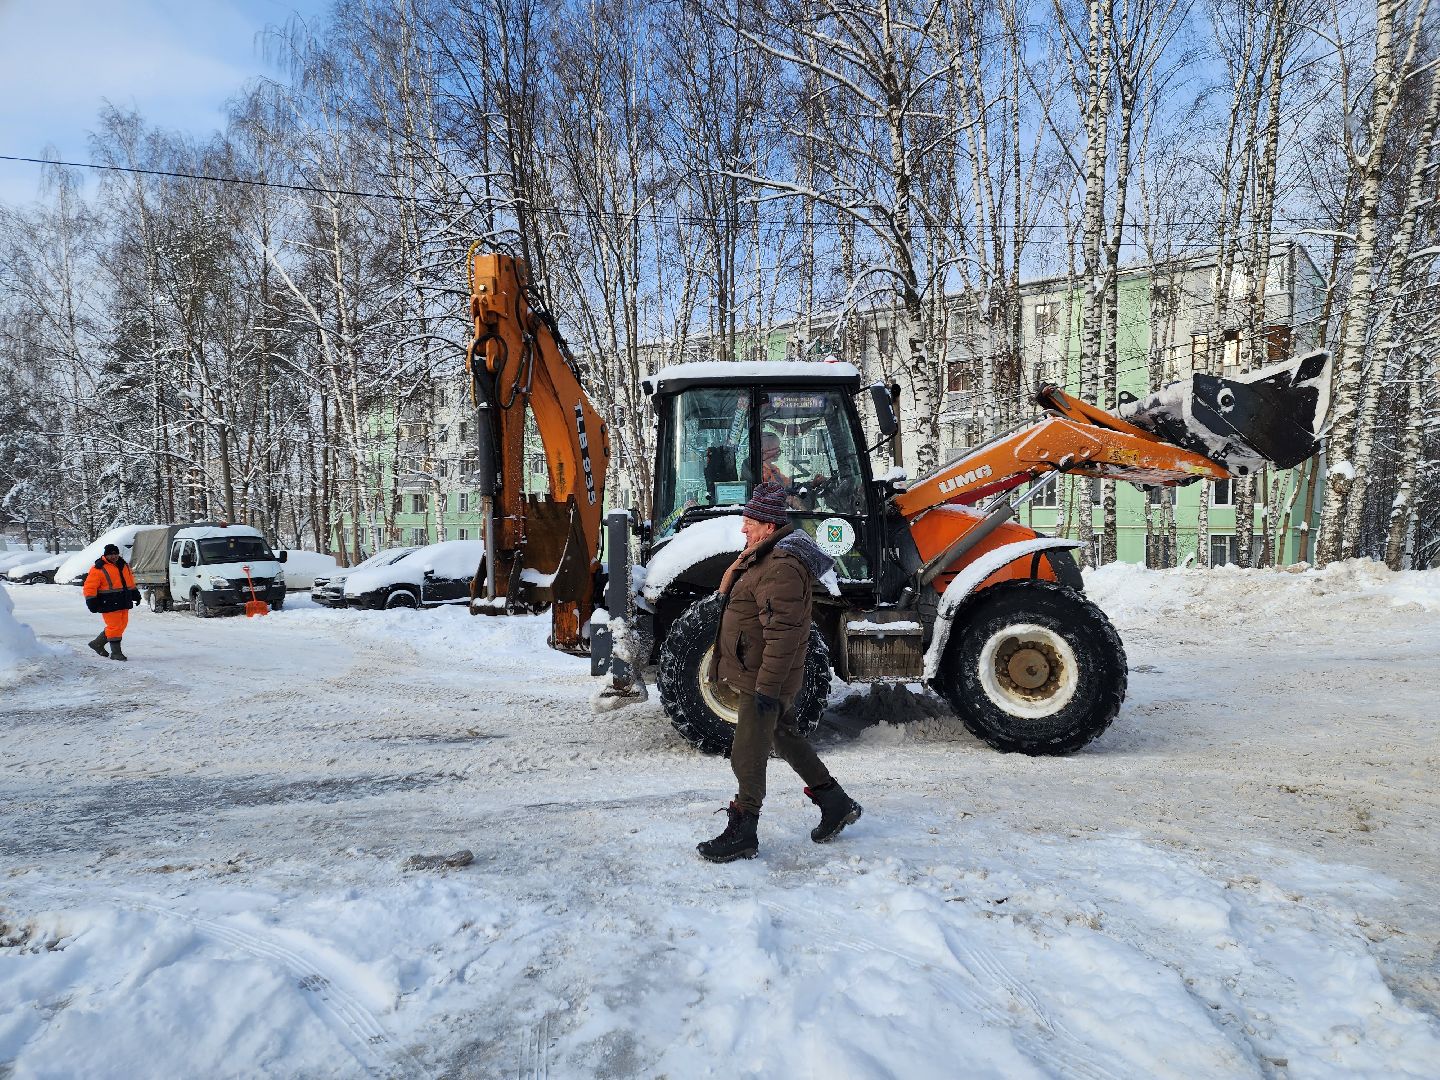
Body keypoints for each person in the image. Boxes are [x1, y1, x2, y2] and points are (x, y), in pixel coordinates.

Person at [698, 480, 862, 862]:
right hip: (758, 672)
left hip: (764, 678)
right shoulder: (765, 558)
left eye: (750, 522)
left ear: (769, 527)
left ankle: (743, 830)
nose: (743, 528)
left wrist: (766, 690)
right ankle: (834, 801)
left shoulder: (781, 568)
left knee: (747, 753)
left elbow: (785, 634)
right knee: (785, 737)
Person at [83, 543, 141, 661]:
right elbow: (89, 587)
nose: (113, 556)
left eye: (115, 554)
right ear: (105, 555)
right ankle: (116, 653)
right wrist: (91, 601)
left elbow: (130, 582)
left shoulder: (124, 565)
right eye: (110, 554)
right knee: (114, 626)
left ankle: (97, 643)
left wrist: (136, 594)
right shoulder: (98, 568)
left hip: (124, 600)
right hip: (108, 602)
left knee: (121, 625)